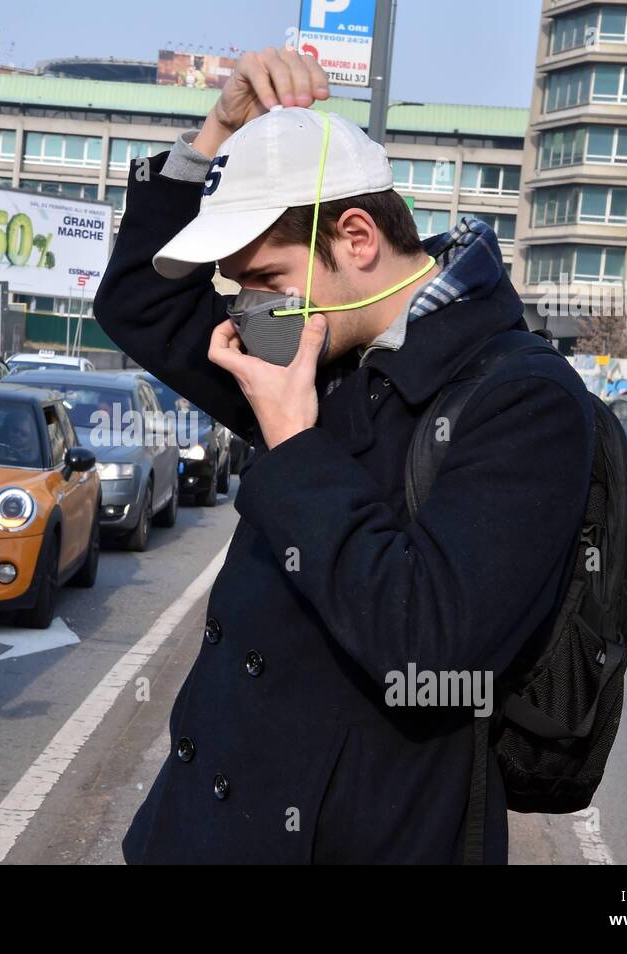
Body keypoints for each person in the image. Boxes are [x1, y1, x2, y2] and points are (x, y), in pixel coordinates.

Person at [94, 48, 594, 864]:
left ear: (356, 237)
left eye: (266, 279)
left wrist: (294, 444)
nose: (251, 309)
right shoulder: (317, 351)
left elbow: (428, 645)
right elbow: (141, 301)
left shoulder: (523, 400)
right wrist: (219, 135)